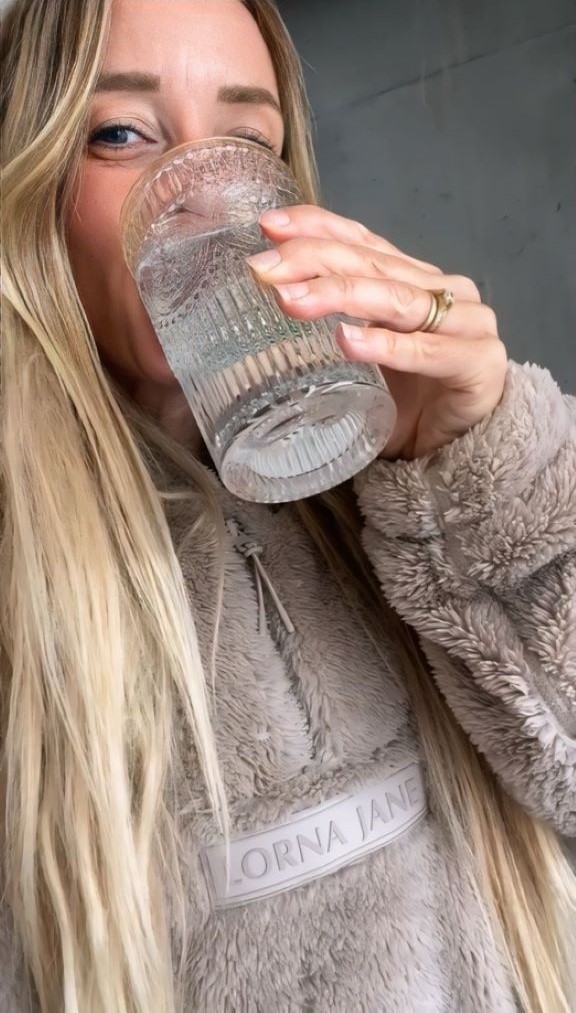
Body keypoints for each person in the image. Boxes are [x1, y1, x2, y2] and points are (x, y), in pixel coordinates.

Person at [1, 0, 574, 1010]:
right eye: (120, 134)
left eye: (242, 141)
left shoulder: (395, 476)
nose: (201, 200)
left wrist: (485, 462)